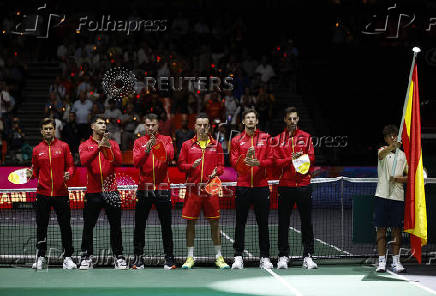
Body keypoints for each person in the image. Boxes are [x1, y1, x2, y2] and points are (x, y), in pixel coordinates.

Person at [177, 113, 229, 270]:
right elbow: (180, 164)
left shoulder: (217, 146)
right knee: (190, 224)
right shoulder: (187, 145)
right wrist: (190, 166)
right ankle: (190, 257)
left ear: (209, 127)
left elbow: (221, 166)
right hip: (193, 190)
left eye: (205, 125)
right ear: (195, 126)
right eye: (199, 125)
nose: (202, 128)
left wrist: (217, 172)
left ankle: (218, 257)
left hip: (210, 191)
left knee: (215, 223)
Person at [26, 118, 76, 270]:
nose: (48, 131)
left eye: (50, 128)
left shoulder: (64, 146)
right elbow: (34, 171)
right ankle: (41, 256)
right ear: (41, 131)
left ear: (55, 130)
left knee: (65, 226)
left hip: (61, 193)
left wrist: (69, 173)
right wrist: (30, 173)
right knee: (42, 226)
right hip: (43, 194)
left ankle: (67, 257)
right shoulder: (36, 150)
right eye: (45, 128)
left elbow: (71, 166)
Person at [78, 115, 127, 270]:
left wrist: (107, 147)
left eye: (104, 124)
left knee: (116, 226)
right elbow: (83, 161)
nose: (103, 126)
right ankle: (86, 257)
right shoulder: (85, 145)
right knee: (88, 226)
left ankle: (118, 257)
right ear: (92, 126)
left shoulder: (112, 143)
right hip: (93, 192)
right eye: (99, 123)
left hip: (111, 191)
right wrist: (99, 147)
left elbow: (119, 161)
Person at [273, 107, 318, 270]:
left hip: (303, 186)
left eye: (295, 118)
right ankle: (283, 256)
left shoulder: (306, 138)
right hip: (285, 186)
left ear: (298, 119)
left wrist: (302, 158)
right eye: (289, 119)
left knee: (307, 223)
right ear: (285, 120)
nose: (292, 121)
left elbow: (312, 158)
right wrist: (289, 159)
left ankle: (308, 256)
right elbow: (276, 163)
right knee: (283, 223)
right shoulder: (277, 140)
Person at [230, 109, 274, 269]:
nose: (250, 120)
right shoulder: (236, 140)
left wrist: (259, 163)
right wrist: (245, 160)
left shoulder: (266, 138)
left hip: (261, 187)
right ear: (243, 122)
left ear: (257, 121)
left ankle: (265, 257)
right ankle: (238, 257)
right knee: (240, 223)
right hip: (243, 187)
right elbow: (234, 162)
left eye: (253, 118)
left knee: (263, 223)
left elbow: (271, 160)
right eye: (247, 118)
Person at [132, 113, 176, 270]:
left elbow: (169, 156)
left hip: (163, 189)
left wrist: (156, 145)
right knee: (139, 226)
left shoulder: (167, 140)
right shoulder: (139, 142)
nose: (150, 128)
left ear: (158, 125)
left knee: (166, 225)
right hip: (144, 189)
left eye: (153, 125)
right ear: (145, 125)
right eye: (148, 125)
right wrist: (146, 150)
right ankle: (138, 259)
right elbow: (136, 162)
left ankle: (169, 259)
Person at [374, 124, 408, 273]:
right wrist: (392, 147)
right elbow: (381, 155)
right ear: (386, 139)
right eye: (390, 136)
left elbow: (408, 176)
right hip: (382, 196)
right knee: (381, 230)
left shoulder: (402, 155)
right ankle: (381, 262)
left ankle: (396, 261)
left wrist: (400, 180)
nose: (393, 138)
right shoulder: (382, 151)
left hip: (397, 197)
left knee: (396, 231)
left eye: (395, 135)